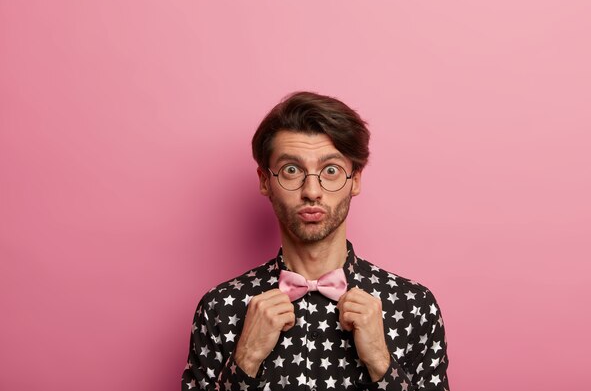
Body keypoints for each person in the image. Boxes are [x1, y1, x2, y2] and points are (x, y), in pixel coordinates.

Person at [181, 91, 450, 391]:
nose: (312, 190)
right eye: (291, 170)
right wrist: (245, 358)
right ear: (265, 181)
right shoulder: (219, 309)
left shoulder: (414, 307)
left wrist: (381, 362)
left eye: (331, 170)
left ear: (355, 180)